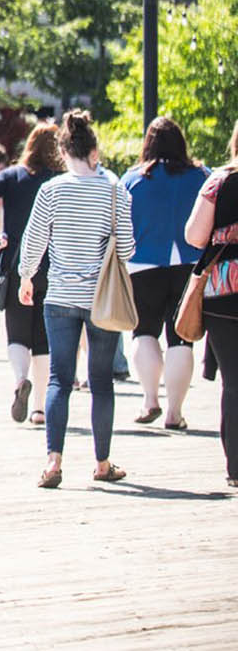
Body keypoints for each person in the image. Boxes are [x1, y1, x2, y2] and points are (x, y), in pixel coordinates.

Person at [17, 110, 133, 489]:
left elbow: (34, 241)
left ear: (62, 152)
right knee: (101, 382)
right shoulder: (116, 190)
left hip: (61, 296)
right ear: (94, 150)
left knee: (58, 380)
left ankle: (53, 462)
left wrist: (26, 276)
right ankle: (102, 463)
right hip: (101, 299)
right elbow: (128, 247)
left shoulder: (51, 190)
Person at [124, 117, 210, 431]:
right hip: (190, 264)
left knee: (144, 332)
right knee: (181, 338)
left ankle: (150, 400)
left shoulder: (133, 179)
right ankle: (175, 412)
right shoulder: (201, 175)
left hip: (143, 264)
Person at [0, 121, 61, 425]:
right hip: (52, 266)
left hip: (15, 264)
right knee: (42, 338)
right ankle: (39, 408)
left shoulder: (13, 176)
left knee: (17, 333)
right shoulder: (59, 180)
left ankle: (19, 379)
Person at [183, 119, 238, 487]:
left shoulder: (219, 181)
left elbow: (193, 235)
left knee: (234, 384)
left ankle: (236, 467)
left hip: (223, 293)